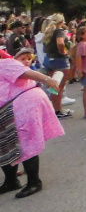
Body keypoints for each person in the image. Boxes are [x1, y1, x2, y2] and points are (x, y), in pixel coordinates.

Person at [0, 56, 63, 198]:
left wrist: (47, 79)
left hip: (22, 103)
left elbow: (25, 72)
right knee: (5, 143)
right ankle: (11, 181)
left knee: (25, 141)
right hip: (9, 107)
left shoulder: (3, 64)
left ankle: (34, 182)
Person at [42, 14, 74, 118]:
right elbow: (60, 43)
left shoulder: (48, 31)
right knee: (59, 87)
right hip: (60, 61)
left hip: (49, 60)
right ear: (62, 21)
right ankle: (58, 110)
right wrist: (63, 51)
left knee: (54, 87)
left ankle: (57, 109)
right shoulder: (59, 31)